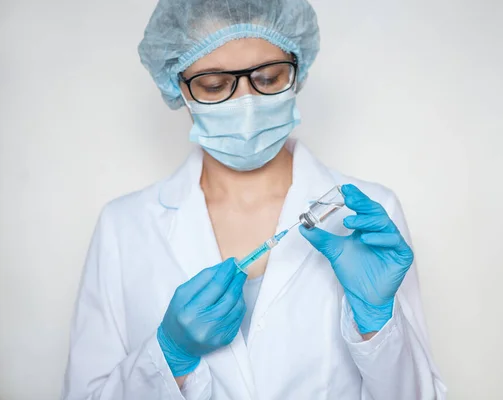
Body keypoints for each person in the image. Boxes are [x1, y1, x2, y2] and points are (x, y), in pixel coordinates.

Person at [62, 0, 446, 399]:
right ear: (179, 87)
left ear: (297, 74)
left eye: (268, 77)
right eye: (214, 84)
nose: (246, 101)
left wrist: (378, 325)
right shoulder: (124, 226)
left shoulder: (366, 214)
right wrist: (168, 357)